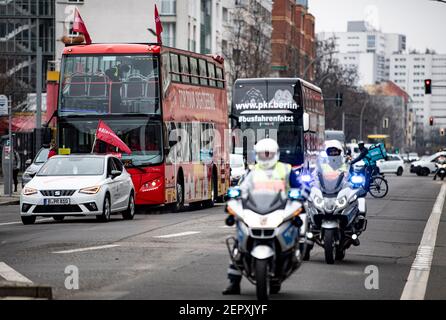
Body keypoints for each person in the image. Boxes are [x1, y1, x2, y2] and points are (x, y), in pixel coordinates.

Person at [222, 138, 295, 295]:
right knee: (239, 246)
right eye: (263, 154)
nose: (266, 157)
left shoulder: (286, 169)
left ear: (276, 154)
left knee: (297, 230)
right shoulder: (253, 171)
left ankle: (290, 256)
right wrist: (234, 197)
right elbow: (242, 188)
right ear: (257, 155)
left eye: (269, 154)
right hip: (255, 210)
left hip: (279, 210)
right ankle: (233, 283)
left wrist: (301, 195)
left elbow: (300, 187)